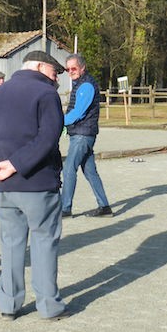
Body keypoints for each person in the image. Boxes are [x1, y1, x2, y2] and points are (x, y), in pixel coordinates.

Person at [0, 50, 70, 321]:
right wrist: (15, 163)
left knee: (11, 246)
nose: (57, 78)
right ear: (38, 66)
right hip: (37, 183)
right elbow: (48, 137)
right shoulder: (46, 94)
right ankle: (49, 305)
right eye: (54, 72)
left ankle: (9, 304)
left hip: (4, 186)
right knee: (44, 243)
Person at [61, 53, 112, 218]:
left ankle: (65, 209)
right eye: (68, 69)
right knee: (90, 171)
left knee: (69, 168)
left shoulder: (86, 86)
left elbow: (78, 113)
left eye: (73, 68)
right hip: (82, 133)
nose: (70, 72)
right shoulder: (80, 84)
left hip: (83, 134)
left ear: (82, 67)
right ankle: (104, 206)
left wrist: (58, 121)